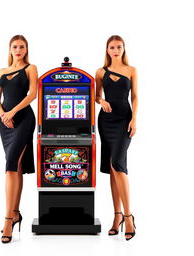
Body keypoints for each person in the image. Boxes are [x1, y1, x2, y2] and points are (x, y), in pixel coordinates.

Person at [0, 35, 37, 243]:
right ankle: (16, 213)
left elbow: (32, 94)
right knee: (15, 167)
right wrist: (4, 114)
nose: (18, 49)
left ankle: (7, 220)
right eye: (15, 46)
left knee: (11, 165)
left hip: (23, 119)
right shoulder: (2, 71)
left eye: (22, 46)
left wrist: (12, 112)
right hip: (5, 122)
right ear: (9, 49)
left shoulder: (30, 68)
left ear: (26, 49)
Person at [95, 35, 138, 241]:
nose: (115, 50)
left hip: (124, 120)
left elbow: (136, 96)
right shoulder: (100, 72)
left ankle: (129, 217)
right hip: (105, 121)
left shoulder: (131, 70)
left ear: (123, 49)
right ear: (107, 49)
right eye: (112, 47)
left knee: (118, 165)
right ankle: (117, 216)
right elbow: (95, 95)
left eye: (119, 47)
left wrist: (135, 120)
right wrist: (101, 100)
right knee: (112, 169)